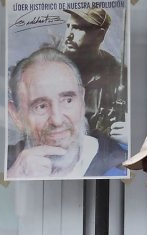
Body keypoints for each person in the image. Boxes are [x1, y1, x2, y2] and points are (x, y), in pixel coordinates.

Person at [7, 47, 126, 179]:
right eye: (41, 106)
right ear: (16, 115)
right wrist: (13, 176)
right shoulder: (2, 164)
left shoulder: (120, 162)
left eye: (68, 100)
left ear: (82, 100)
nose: (57, 120)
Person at [60, 8, 128, 140]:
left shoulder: (119, 72)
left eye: (78, 28)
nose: (69, 35)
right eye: (68, 27)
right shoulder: (51, 68)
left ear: (100, 35)